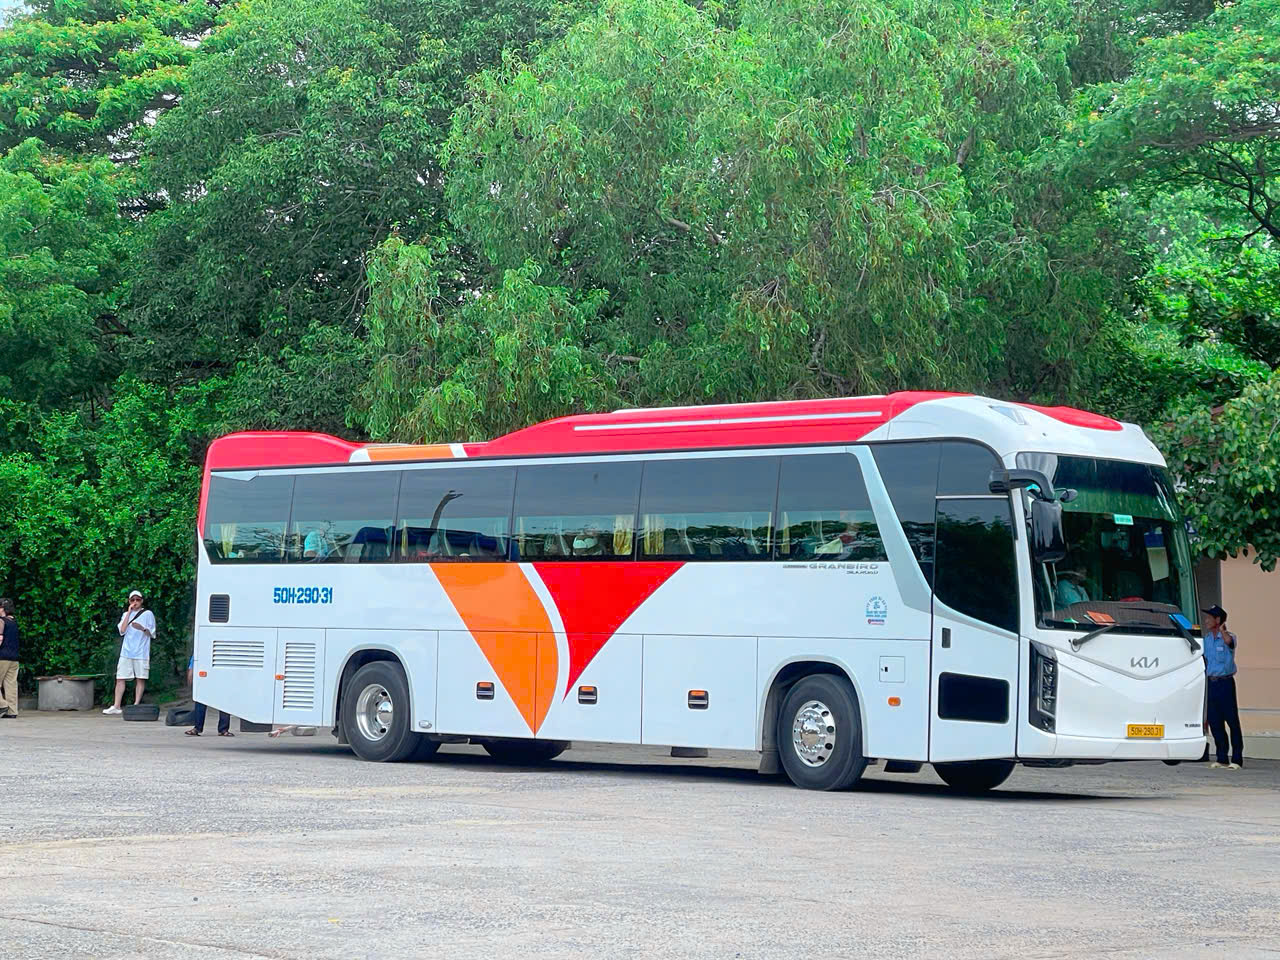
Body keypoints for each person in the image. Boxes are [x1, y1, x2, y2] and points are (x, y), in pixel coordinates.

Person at [1201, 604, 1244, 770]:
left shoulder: (1229, 636)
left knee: (1232, 721)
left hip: (1226, 683)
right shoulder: (1206, 639)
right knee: (1215, 721)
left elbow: (1230, 643)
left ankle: (1237, 758)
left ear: (1217, 620)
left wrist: (1223, 630)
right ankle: (1222, 757)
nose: (1206, 620)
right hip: (1212, 683)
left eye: (1209, 618)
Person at [104, 590, 156, 715]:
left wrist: (142, 628)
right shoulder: (125, 615)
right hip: (127, 651)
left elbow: (152, 634)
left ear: (142, 601)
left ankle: (136, 705)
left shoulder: (148, 614)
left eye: (138, 600)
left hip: (141, 652)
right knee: (120, 677)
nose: (135, 602)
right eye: (132, 600)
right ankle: (116, 705)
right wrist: (129, 612)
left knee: (140, 678)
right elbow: (122, 630)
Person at [184, 654, 231, 737]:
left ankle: (222, 729)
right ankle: (221, 729)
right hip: (207, 675)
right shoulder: (200, 648)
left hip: (220, 675)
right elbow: (194, 660)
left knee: (223, 702)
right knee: (202, 701)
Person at [0, 597, 19, 719]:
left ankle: (3, 705)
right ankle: (12, 711)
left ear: (1, 608)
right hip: (14, 658)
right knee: (10, 685)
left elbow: (0, 639)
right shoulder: (13, 621)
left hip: (2, 658)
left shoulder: (1, 621)